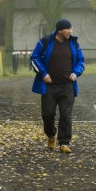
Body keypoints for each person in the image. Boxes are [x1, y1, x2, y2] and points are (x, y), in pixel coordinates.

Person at [30, 18, 85, 153]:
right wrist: (43, 73)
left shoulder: (74, 44)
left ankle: (64, 143)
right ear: (60, 30)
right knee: (47, 114)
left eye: (71, 29)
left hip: (67, 86)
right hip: (49, 86)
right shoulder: (45, 41)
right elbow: (34, 59)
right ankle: (51, 134)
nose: (71, 31)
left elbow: (81, 62)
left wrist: (76, 73)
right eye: (68, 29)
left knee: (66, 115)